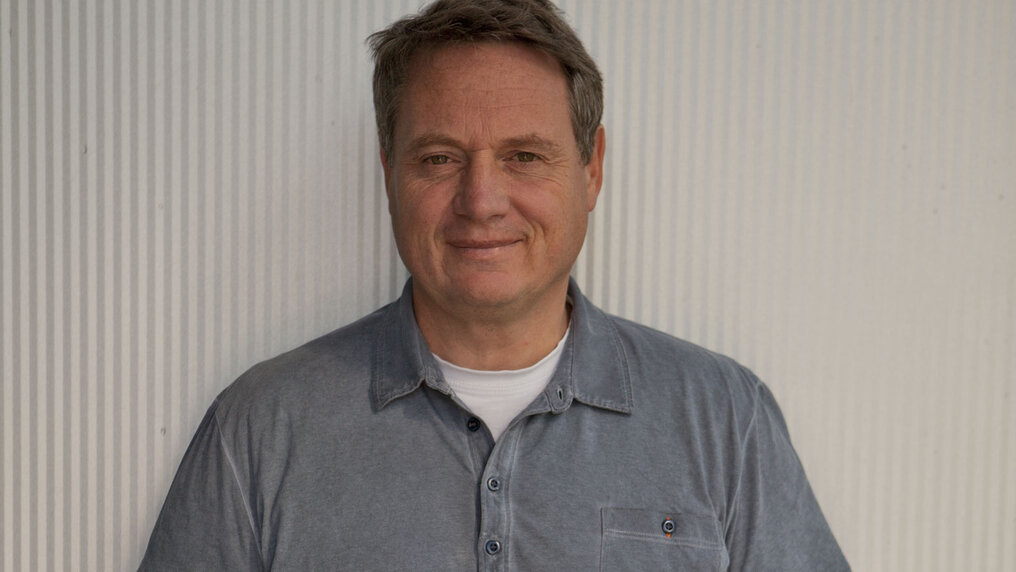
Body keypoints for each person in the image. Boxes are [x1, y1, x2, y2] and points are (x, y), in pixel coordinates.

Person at [141, 0, 849, 569]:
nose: (480, 201)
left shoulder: (725, 419)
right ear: (388, 170)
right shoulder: (260, 431)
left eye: (524, 156)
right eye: (440, 158)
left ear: (592, 168)